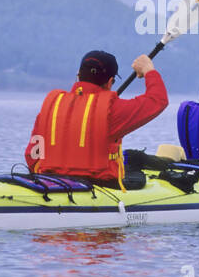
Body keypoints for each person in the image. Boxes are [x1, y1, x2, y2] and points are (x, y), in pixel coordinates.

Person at [25, 50, 167, 184]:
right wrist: (149, 70)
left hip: (49, 182)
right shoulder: (112, 111)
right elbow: (158, 100)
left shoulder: (52, 107)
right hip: (100, 186)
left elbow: (31, 156)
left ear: (78, 75)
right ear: (110, 82)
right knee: (135, 163)